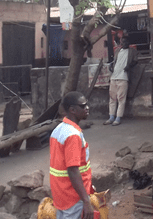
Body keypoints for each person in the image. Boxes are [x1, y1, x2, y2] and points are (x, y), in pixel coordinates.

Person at [49, 91, 95, 219]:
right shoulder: (73, 136)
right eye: (83, 106)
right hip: (73, 197)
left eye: (87, 104)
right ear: (72, 110)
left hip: (61, 194)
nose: (87, 108)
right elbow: (73, 170)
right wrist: (86, 200)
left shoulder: (59, 130)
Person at [105, 36, 137, 126]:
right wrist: (111, 66)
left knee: (121, 99)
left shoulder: (132, 51)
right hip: (114, 77)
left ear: (128, 42)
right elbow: (115, 61)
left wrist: (129, 66)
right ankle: (111, 117)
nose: (123, 43)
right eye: (122, 42)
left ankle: (118, 118)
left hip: (124, 77)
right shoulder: (117, 51)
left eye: (125, 42)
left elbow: (135, 61)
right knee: (112, 99)